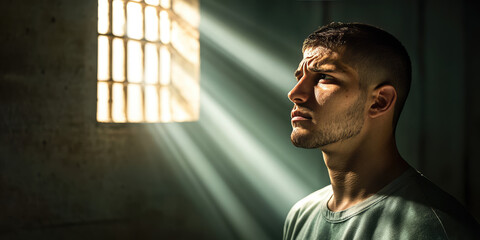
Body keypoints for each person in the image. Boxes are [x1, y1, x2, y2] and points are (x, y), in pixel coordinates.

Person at [283, 22, 480, 239]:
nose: (295, 93)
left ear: (380, 101)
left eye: (324, 77)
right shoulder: (300, 216)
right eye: (299, 77)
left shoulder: (433, 228)